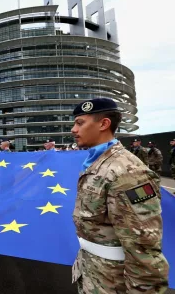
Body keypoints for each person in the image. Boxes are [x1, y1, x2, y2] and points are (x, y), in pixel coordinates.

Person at [70, 98, 169, 293]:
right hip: (96, 272)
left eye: (80, 123)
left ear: (104, 124)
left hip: (114, 282)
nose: (74, 129)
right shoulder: (97, 162)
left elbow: (143, 248)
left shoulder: (126, 172)